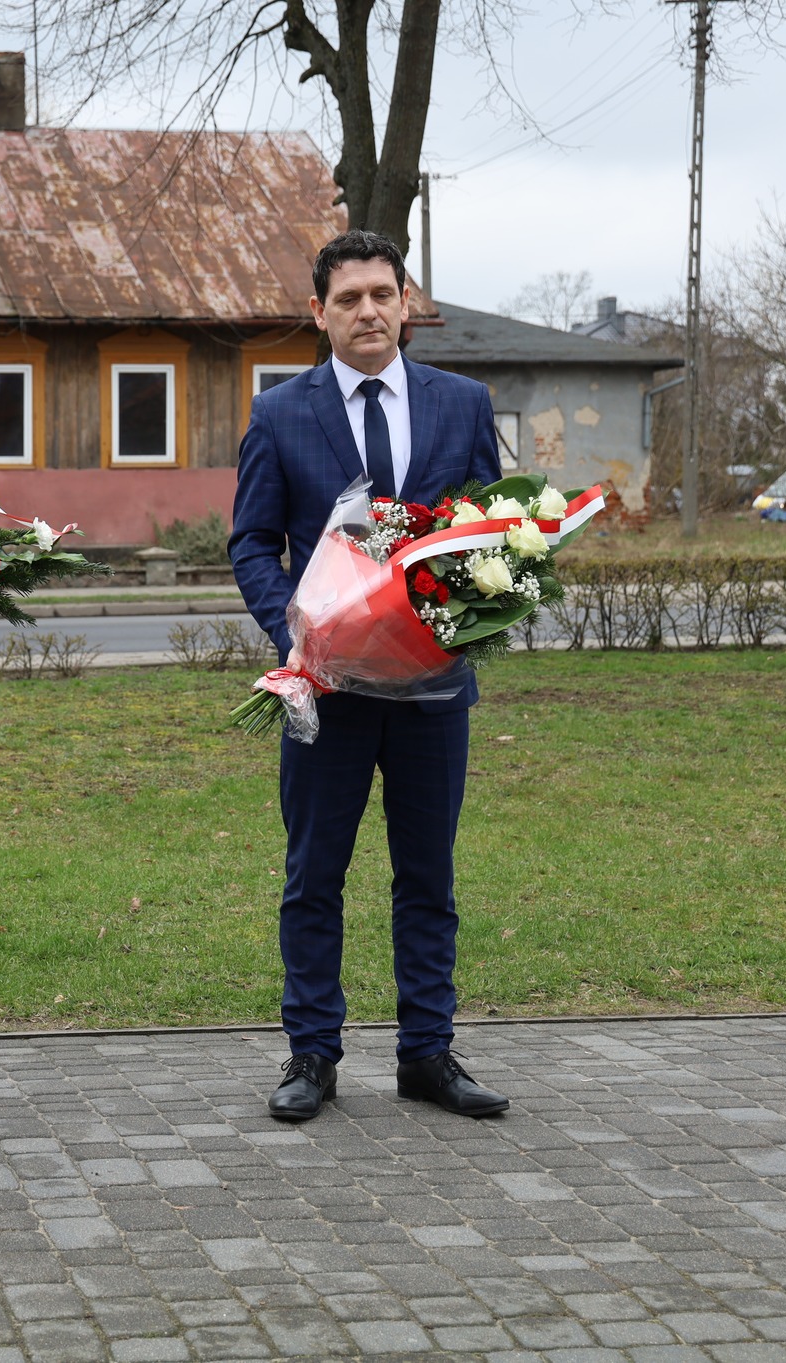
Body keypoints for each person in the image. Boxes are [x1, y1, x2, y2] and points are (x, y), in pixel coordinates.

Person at [229, 230, 511, 1123]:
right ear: (319, 313)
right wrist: (300, 631)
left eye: (382, 294)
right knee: (315, 874)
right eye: (347, 299)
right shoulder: (280, 414)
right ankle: (312, 1054)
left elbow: (492, 535)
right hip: (331, 692)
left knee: (428, 877)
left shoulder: (462, 404)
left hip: (432, 693)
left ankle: (428, 1053)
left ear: (404, 302)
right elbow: (251, 542)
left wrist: (465, 617)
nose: (368, 312)